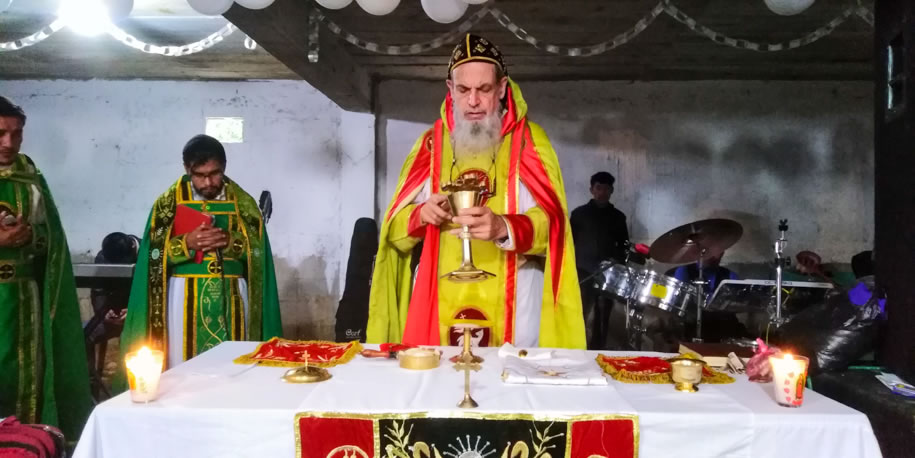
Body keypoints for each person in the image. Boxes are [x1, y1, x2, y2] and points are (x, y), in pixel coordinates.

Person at [367, 34, 585, 349]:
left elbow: (555, 226)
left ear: (502, 88)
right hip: (438, 307)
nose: (473, 101)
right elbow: (394, 236)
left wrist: (505, 227)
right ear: (450, 89)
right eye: (463, 89)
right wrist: (420, 216)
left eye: (483, 89)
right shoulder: (430, 145)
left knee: (509, 380)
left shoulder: (529, 142)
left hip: (516, 309)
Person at [119, 134, 283, 372]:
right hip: (182, 299)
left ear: (224, 167)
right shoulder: (167, 205)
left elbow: (259, 257)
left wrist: (230, 242)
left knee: (233, 369)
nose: (208, 183)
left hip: (232, 297)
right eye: (200, 175)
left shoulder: (243, 205)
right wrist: (186, 244)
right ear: (187, 169)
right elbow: (151, 256)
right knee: (183, 368)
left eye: (215, 174)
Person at [0, 95, 93, 439]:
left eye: (17, 133)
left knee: (27, 378)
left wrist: (29, 237)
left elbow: (50, 239)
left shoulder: (29, 175)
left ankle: (28, 445)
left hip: (24, 302)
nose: (9, 143)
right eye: (0, 134)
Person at [570, 171, 630, 349]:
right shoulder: (579, 214)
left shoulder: (618, 217)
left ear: (611, 191)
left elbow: (624, 245)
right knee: (580, 312)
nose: (602, 192)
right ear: (592, 190)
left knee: (604, 315)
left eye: (606, 189)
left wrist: (617, 263)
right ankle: (577, 348)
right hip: (582, 271)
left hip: (608, 274)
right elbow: (569, 242)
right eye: (598, 188)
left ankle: (599, 350)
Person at [666, 251, 738, 300]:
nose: (713, 256)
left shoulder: (730, 276)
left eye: (717, 251)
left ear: (722, 253)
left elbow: (739, 303)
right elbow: (668, 300)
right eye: (708, 251)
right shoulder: (680, 272)